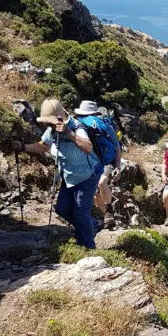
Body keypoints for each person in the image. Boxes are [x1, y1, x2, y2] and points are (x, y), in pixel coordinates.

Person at [16, 99, 102, 248]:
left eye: (48, 121)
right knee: (62, 209)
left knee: (80, 214)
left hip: (87, 176)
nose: (46, 124)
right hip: (69, 177)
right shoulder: (51, 130)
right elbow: (43, 146)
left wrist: (69, 133)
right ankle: (91, 225)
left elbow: (88, 147)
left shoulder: (76, 126)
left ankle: (89, 248)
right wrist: (23, 147)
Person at [74, 100, 122, 229]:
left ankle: (109, 211)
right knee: (95, 193)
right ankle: (107, 218)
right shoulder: (78, 127)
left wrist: (118, 166)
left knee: (101, 182)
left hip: (107, 161)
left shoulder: (105, 126)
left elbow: (117, 147)